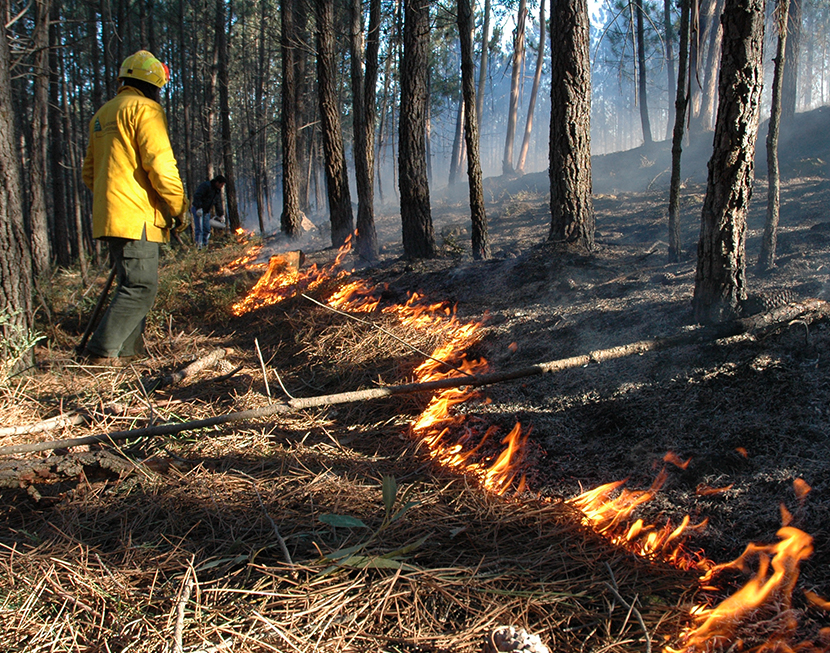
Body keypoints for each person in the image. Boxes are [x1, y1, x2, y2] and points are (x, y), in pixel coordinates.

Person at [80, 50, 189, 365]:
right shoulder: (146, 110)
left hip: (110, 217)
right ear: (152, 85)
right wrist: (178, 208)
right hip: (137, 218)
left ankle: (127, 356)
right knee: (141, 286)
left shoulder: (103, 113)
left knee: (130, 284)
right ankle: (100, 355)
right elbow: (161, 166)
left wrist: (112, 198)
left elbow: (90, 173)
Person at [191, 175, 226, 248]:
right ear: (217, 182)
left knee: (207, 229)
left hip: (206, 211)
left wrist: (221, 215)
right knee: (199, 229)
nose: (222, 186)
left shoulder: (217, 191)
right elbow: (197, 196)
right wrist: (199, 207)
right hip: (198, 210)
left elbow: (218, 203)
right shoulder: (206, 186)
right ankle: (198, 246)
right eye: (221, 184)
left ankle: (204, 245)